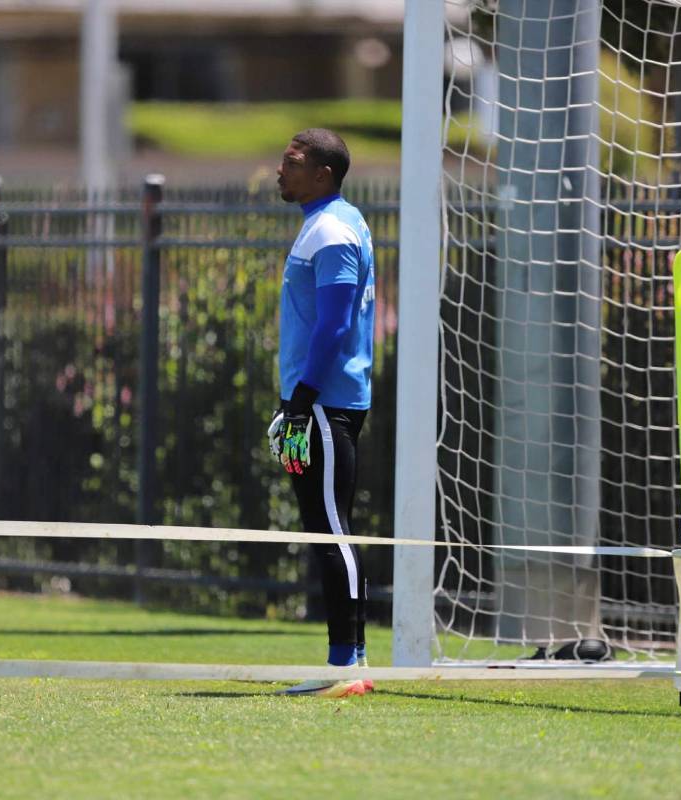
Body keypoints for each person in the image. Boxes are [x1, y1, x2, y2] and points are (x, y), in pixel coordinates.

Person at [269, 128, 376, 698]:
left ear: (322, 174)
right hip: (314, 403)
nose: (279, 170)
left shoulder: (333, 230)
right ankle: (353, 662)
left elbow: (336, 325)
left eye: (292, 162)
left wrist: (302, 399)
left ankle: (344, 668)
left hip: (324, 405)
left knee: (332, 531)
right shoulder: (331, 221)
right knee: (328, 529)